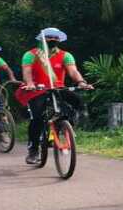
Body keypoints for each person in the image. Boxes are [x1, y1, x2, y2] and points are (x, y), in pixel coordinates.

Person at [19, 28, 93, 165]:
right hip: (37, 89)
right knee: (37, 118)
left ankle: (65, 127)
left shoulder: (66, 55)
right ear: (41, 39)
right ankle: (33, 150)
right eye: (48, 37)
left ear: (59, 40)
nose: (52, 40)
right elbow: (27, 72)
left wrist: (81, 82)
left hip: (58, 88)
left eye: (55, 38)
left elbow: (73, 71)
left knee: (76, 101)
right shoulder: (30, 55)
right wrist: (29, 83)